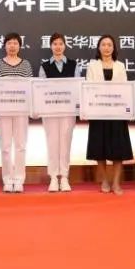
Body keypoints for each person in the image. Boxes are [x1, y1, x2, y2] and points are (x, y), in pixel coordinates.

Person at [85, 35, 133, 195]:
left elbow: (125, 89)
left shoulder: (120, 66)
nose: (106, 47)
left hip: (117, 113)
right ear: (99, 47)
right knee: (100, 148)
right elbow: (89, 89)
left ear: (114, 48)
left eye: (109, 45)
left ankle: (116, 183)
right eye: (103, 44)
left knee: (118, 149)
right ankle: (105, 180)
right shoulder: (92, 66)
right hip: (98, 113)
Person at [0, 32, 34, 193]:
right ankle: (8, 179)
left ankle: (19, 179)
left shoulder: (26, 65)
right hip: (3, 111)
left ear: (20, 46)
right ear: (4, 45)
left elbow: (30, 87)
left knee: (21, 145)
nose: (12, 46)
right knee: (5, 146)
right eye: (9, 43)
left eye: (15, 43)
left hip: (21, 110)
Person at [38, 32, 79, 193]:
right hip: (50, 111)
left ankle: (65, 177)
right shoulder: (44, 66)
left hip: (68, 111)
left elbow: (77, 88)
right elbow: (41, 90)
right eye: (55, 44)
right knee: (52, 142)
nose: (58, 47)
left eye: (61, 43)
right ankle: (54, 177)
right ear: (50, 46)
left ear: (65, 45)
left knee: (66, 142)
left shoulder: (74, 65)